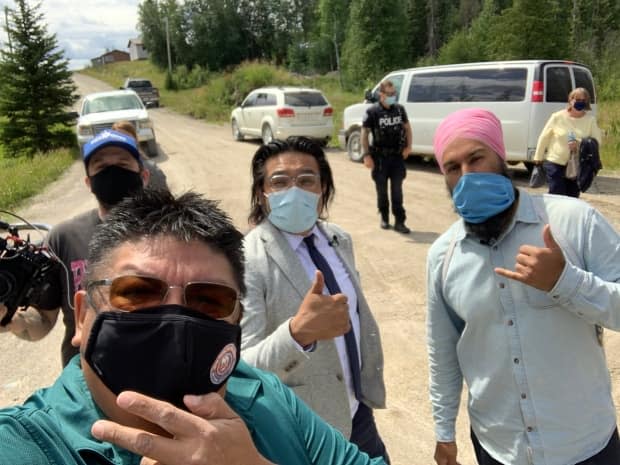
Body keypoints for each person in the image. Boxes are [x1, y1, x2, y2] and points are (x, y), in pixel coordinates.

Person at [0, 189, 386, 465]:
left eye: (208, 301)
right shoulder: (23, 445)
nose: (173, 320)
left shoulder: (261, 392)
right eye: (136, 292)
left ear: (237, 321)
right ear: (82, 315)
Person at [427, 107, 620, 465]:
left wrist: (566, 282)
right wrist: (444, 431)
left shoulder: (573, 222)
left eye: (476, 158)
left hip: (583, 444)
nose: (467, 175)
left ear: (500, 158)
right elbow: (443, 350)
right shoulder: (443, 256)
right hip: (500, 449)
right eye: (453, 168)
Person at [241, 137, 389, 462]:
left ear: (323, 189)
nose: (295, 190)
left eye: (307, 180)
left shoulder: (338, 238)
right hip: (302, 426)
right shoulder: (246, 258)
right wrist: (297, 334)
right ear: (261, 193)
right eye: (280, 181)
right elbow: (241, 368)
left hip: (356, 412)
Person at [0, 129, 149, 366]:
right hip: (83, 379)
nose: (112, 172)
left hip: (157, 370)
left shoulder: (172, 233)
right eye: (101, 167)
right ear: (89, 182)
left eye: (122, 163)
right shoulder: (64, 238)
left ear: (144, 175)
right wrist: (11, 319)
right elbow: (42, 320)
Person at [361, 79, 413, 233]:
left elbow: (408, 128)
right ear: (381, 94)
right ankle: (384, 217)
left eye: (394, 93)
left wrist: (409, 147)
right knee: (381, 190)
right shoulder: (372, 112)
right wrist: (366, 155)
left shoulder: (399, 110)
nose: (392, 97)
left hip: (397, 157)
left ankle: (400, 221)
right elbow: (364, 133)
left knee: (397, 190)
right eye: (389, 94)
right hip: (380, 158)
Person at [533, 87, 602, 197]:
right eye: (577, 99)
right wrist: (538, 157)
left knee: (572, 197)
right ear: (570, 100)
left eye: (583, 100)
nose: (580, 102)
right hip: (555, 162)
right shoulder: (557, 117)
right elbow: (544, 137)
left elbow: (597, 142)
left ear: (587, 102)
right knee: (556, 195)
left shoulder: (590, 120)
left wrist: (579, 145)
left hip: (577, 165)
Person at [111, 120, 168, 191]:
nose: (123, 141)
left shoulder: (149, 167)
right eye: (118, 138)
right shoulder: (109, 168)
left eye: (127, 138)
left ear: (135, 140)